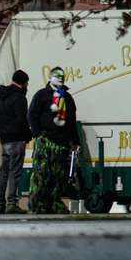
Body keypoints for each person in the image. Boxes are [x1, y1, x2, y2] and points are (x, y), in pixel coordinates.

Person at [26, 67, 79, 215]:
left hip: (62, 144)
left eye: (62, 76)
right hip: (45, 142)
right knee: (41, 174)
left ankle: (54, 202)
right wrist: (38, 134)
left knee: (58, 176)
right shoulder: (42, 95)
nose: (60, 78)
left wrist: (75, 141)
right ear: (50, 78)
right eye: (57, 76)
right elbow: (32, 115)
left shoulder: (67, 98)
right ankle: (37, 204)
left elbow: (71, 121)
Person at [0, 69, 31, 214]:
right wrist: (28, 135)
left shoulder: (1, 97)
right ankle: (12, 204)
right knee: (15, 172)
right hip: (17, 139)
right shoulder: (19, 98)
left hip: (5, 139)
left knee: (4, 172)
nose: (27, 86)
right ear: (23, 83)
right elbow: (22, 120)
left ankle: (0, 204)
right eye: (27, 83)